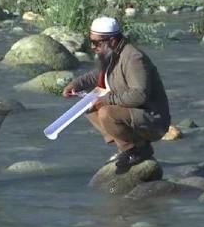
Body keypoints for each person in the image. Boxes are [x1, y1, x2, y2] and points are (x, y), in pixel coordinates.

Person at [62, 16, 170, 172]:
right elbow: (98, 75)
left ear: (111, 41)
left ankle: (135, 151)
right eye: (90, 42)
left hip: (153, 118)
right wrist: (76, 84)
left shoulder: (133, 59)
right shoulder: (112, 54)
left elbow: (139, 95)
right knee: (88, 106)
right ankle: (126, 149)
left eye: (96, 43)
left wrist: (105, 100)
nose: (92, 47)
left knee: (106, 112)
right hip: (134, 113)